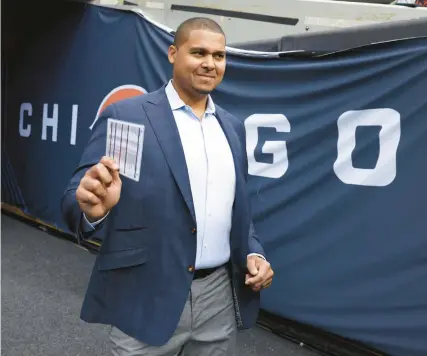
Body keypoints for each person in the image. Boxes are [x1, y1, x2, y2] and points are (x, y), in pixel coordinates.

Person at [61, 17, 274, 356]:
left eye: (219, 56)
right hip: (146, 292)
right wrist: (90, 210)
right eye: (199, 52)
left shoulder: (233, 128)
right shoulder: (128, 116)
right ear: (173, 53)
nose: (210, 63)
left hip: (218, 297)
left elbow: (236, 210)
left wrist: (253, 251)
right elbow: (78, 198)